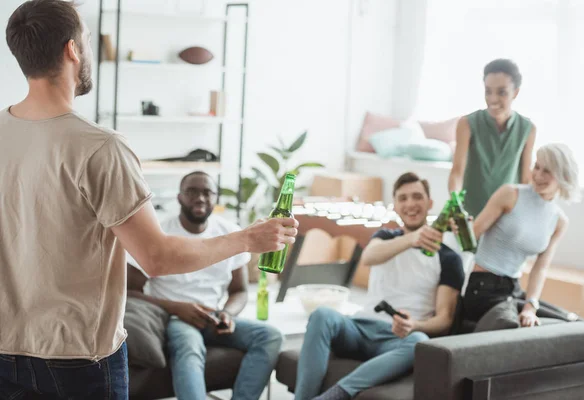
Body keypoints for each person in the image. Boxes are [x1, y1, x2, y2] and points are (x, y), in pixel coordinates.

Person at [0, 1, 297, 398]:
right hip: (78, 356)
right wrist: (248, 239)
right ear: (73, 49)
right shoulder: (99, 147)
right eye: (87, 40)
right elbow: (157, 258)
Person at [294, 172, 465, 400]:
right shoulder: (384, 237)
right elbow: (369, 257)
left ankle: (333, 396)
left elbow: (444, 319)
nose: (410, 204)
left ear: (430, 203)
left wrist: (415, 325)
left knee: (419, 342)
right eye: (402, 198)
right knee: (322, 315)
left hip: (398, 339)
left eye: (417, 197)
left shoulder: (448, 258)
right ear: (395, 206)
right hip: (360, 328)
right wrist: (411, 239)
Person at [127, 171, 283, 400]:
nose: (200, 198)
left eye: (207, 192)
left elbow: (239, 291)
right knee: (189, 345)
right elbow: (130, 292)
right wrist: (178, 308)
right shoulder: (159, 234)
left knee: (271, 336)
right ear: (179, 197)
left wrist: (227, 314)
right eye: (192, 192)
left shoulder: (231, 233)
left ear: (216, 198)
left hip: (214, 316)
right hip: (174, 318)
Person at [457, 143, 580, 330]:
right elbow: (472, 235)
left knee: (573, 324)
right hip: (482, 286)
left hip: (513, 289)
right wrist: (459, 226)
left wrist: (531, 306)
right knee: (510, 324)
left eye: (546, 171)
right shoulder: (510, 194)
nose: (538, 175)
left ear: (564, 176)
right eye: (536, 167)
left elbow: (540, 269)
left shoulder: (559, 221)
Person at [448, 59, 537, 217]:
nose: (493, 99)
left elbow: (525, 179)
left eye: (502, 92)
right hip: (470, 214)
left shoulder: (527, 129)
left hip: (507, 216)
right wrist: (455, 204)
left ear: (515, 92)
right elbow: (457, 172)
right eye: (488, 91)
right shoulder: (467, 124)